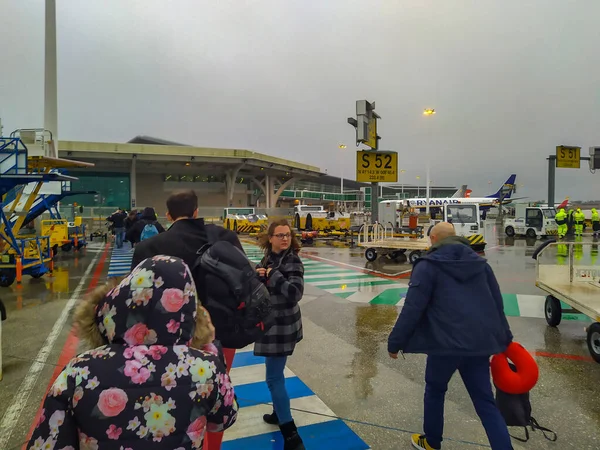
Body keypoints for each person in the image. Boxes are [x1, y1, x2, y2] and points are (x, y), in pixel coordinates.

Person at [27, 255, 238, 449]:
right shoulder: (207, 368)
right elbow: (223, 419)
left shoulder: (80, 370)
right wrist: (209, 348)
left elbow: (47, 441)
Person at [131, 190, 243, 450]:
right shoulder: (225, 238)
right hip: (219, 333)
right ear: (196, 211)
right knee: (215, 394)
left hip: (165, 339)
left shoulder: (149, 248)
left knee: (170, 398)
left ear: (168, 215)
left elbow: (135, 299)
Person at [387, 222, 513, 450]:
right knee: (485, 401)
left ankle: (432, 442)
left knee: (435, 390)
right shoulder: (481, 264)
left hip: (444, 344)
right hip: (478, 344)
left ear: (434, 239)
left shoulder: (428, 266)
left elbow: (413, 307)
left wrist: (396, 342)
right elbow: (497, 303)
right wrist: (505, 338)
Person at [254, 219, 305, 450]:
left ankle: (291, 435)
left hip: (281, 326)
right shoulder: (270, 258)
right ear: (271, 238)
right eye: (280, 235)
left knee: (273, 378)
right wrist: (260, 273)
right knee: (277, 374)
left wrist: (273, 276)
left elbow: (295, 293)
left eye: (287, 235)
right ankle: (278, 411)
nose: (285, 238)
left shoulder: (292, 260)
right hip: (274, 324)